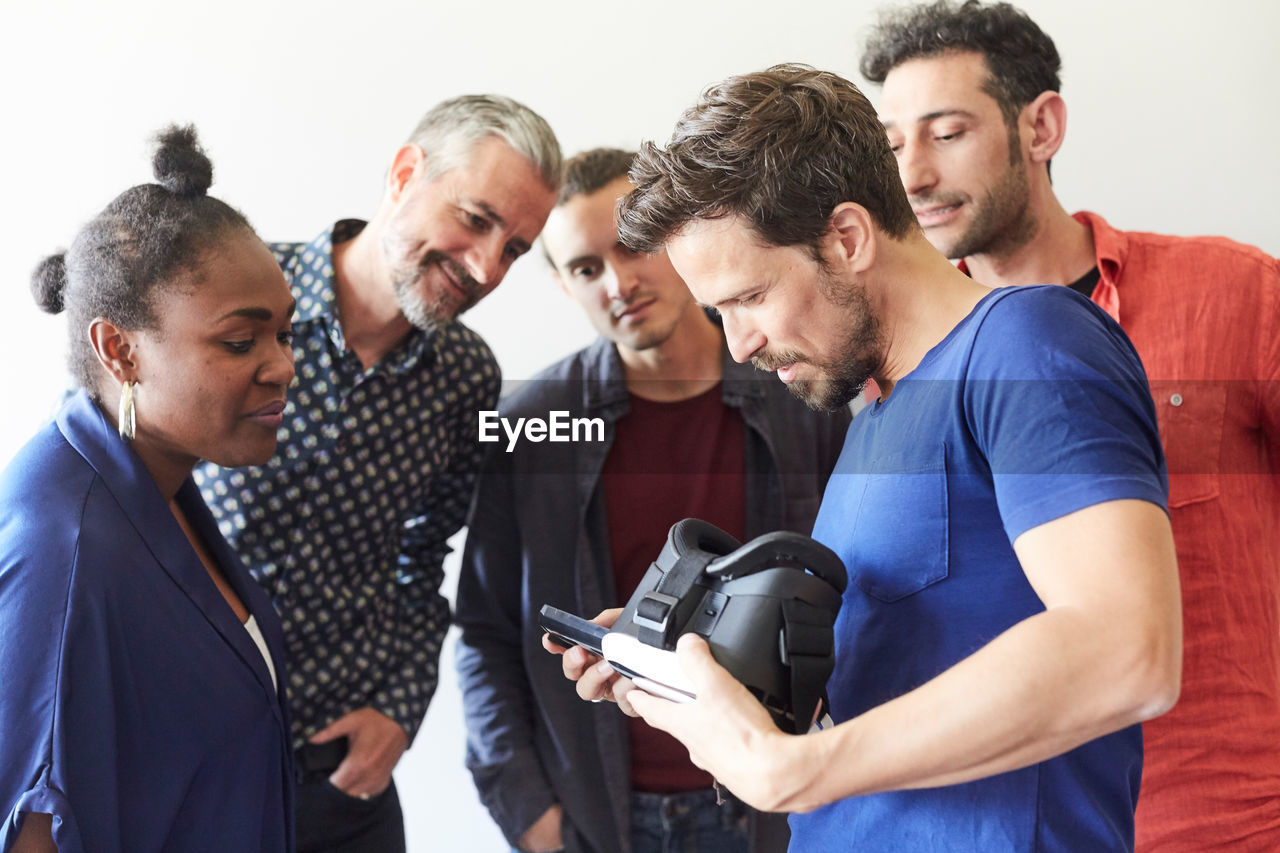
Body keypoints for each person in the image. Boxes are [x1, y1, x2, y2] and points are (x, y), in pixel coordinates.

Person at [555, 65, 1183, 851]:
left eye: (749, 297)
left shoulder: (1027, 345)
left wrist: (798, 768)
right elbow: (883, 697)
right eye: (721, 311)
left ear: (847, 238)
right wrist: (693, 684)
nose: (740, 342)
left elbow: (1129, 649)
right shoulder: (869, 424)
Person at [860, 3, 1280, 848]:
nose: (912, 176)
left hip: (1225, 814)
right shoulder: (891, 373)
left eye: (946, 133)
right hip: (1018, 824)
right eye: (893, 143)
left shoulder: (1235, 291)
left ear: (1040, 125)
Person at [455, 148, 850, 853]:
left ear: (675, 237)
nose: (618, 281)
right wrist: (528, 811)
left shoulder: (798, 386)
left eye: (633, 247)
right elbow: (484, 630)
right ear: (560, 282)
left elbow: (859, 584)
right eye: (585, 267)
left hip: (777, 799)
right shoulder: (535, 421)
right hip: (601, 817)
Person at [193, 94, 561, 852]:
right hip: (181, 754)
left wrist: (399, 706)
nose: (488, 267)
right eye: (476, 218)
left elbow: (423, 558)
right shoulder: (231, 298)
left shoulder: (465, 376)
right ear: (404, 172)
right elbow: (110, 495)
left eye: (516, 248)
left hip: (338, 776)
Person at [0, 126, 296, 853]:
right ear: (120, 349)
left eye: (285, 334)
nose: (283, 366)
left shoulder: (161, 484)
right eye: (240, 341)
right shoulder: (65, 553)